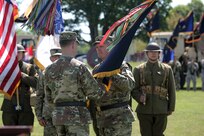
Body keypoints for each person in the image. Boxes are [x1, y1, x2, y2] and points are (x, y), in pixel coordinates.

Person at [44, 31, 105, 136]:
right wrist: (104, 84)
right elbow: (95, 93)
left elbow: (48, 97)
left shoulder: (49, 69)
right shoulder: (80, 66)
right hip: (77, 116)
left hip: (58, 116)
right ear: (73, 44)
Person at [91, 36, 135, 136]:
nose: (98, 49)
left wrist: (112, 73)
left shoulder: (121, 66)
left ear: (111, 47)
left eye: (101, 46)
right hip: (102, 118)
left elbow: (129, 84)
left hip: (119, 119)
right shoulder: (96, 69)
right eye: (97, 47)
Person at [132, 42, 176, 136]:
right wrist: (139, 97)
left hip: (161, 109)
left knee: (159, 134)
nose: (153, 53)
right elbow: (133, 89)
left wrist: (171, 107)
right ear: (147, 53)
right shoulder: (138, 69)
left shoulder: (167, 69)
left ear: (159, 54)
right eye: (151, 51)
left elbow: (172, 90)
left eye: (156, 52)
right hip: (144, 110)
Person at [1, 44, 37, 128]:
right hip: (9, 106)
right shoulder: (4, 67)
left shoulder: (29, 67)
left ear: (23, 54)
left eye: (19, 53)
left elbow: (36, 82)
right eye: (15, 53)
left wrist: (22, 75)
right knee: (10, 133)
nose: (17, 54)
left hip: (25, 106)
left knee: (24, 133)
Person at [35, 47, 62, 136]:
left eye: (59, 56)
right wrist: (39, 116)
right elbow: (39, 95)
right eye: (55, 57)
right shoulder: (44, 74)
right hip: (49, 116)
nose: (57, 59)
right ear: (51, 58)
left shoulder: (70, 72)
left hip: (66, 115)